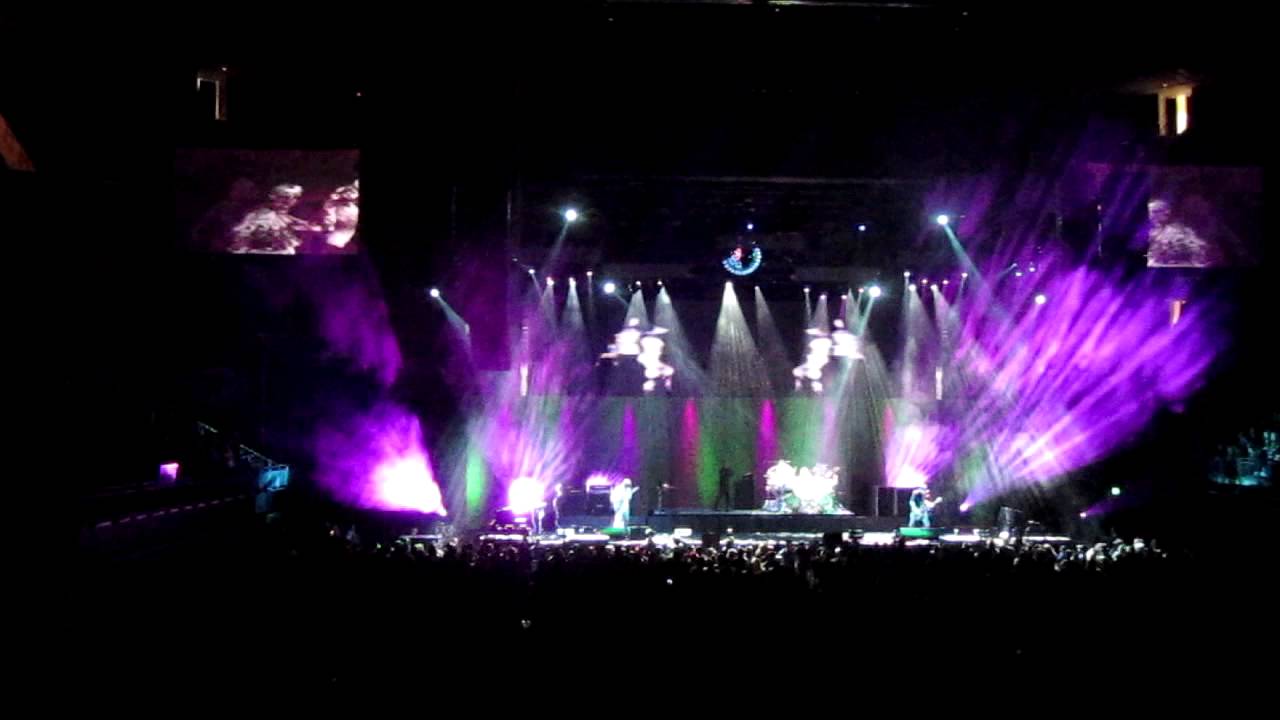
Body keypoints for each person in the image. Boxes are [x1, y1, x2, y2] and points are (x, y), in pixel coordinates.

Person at [228, 183, 321, 254]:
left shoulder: (283, 216)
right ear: (274, 197)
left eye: (294, 198)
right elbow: (243, 235)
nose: (289, 201)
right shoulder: (260, 215)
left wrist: (306, 225)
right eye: (284, 197)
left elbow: (289, 220)